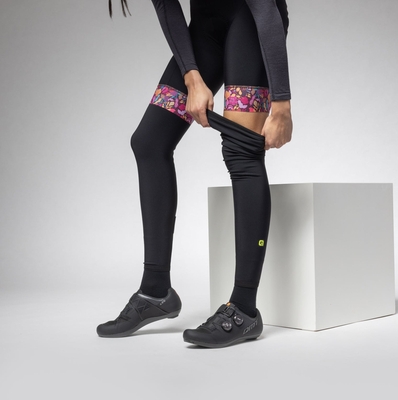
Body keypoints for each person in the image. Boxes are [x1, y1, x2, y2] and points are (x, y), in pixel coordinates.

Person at [97, 0, 293, 348]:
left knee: (242, 152)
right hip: (205, 28)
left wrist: (281, 104)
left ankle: (244, 309)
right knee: (149, 142)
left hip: (252, 23)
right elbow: (167, 6)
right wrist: (192, 75)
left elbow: (266, 11)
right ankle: (155, 291)